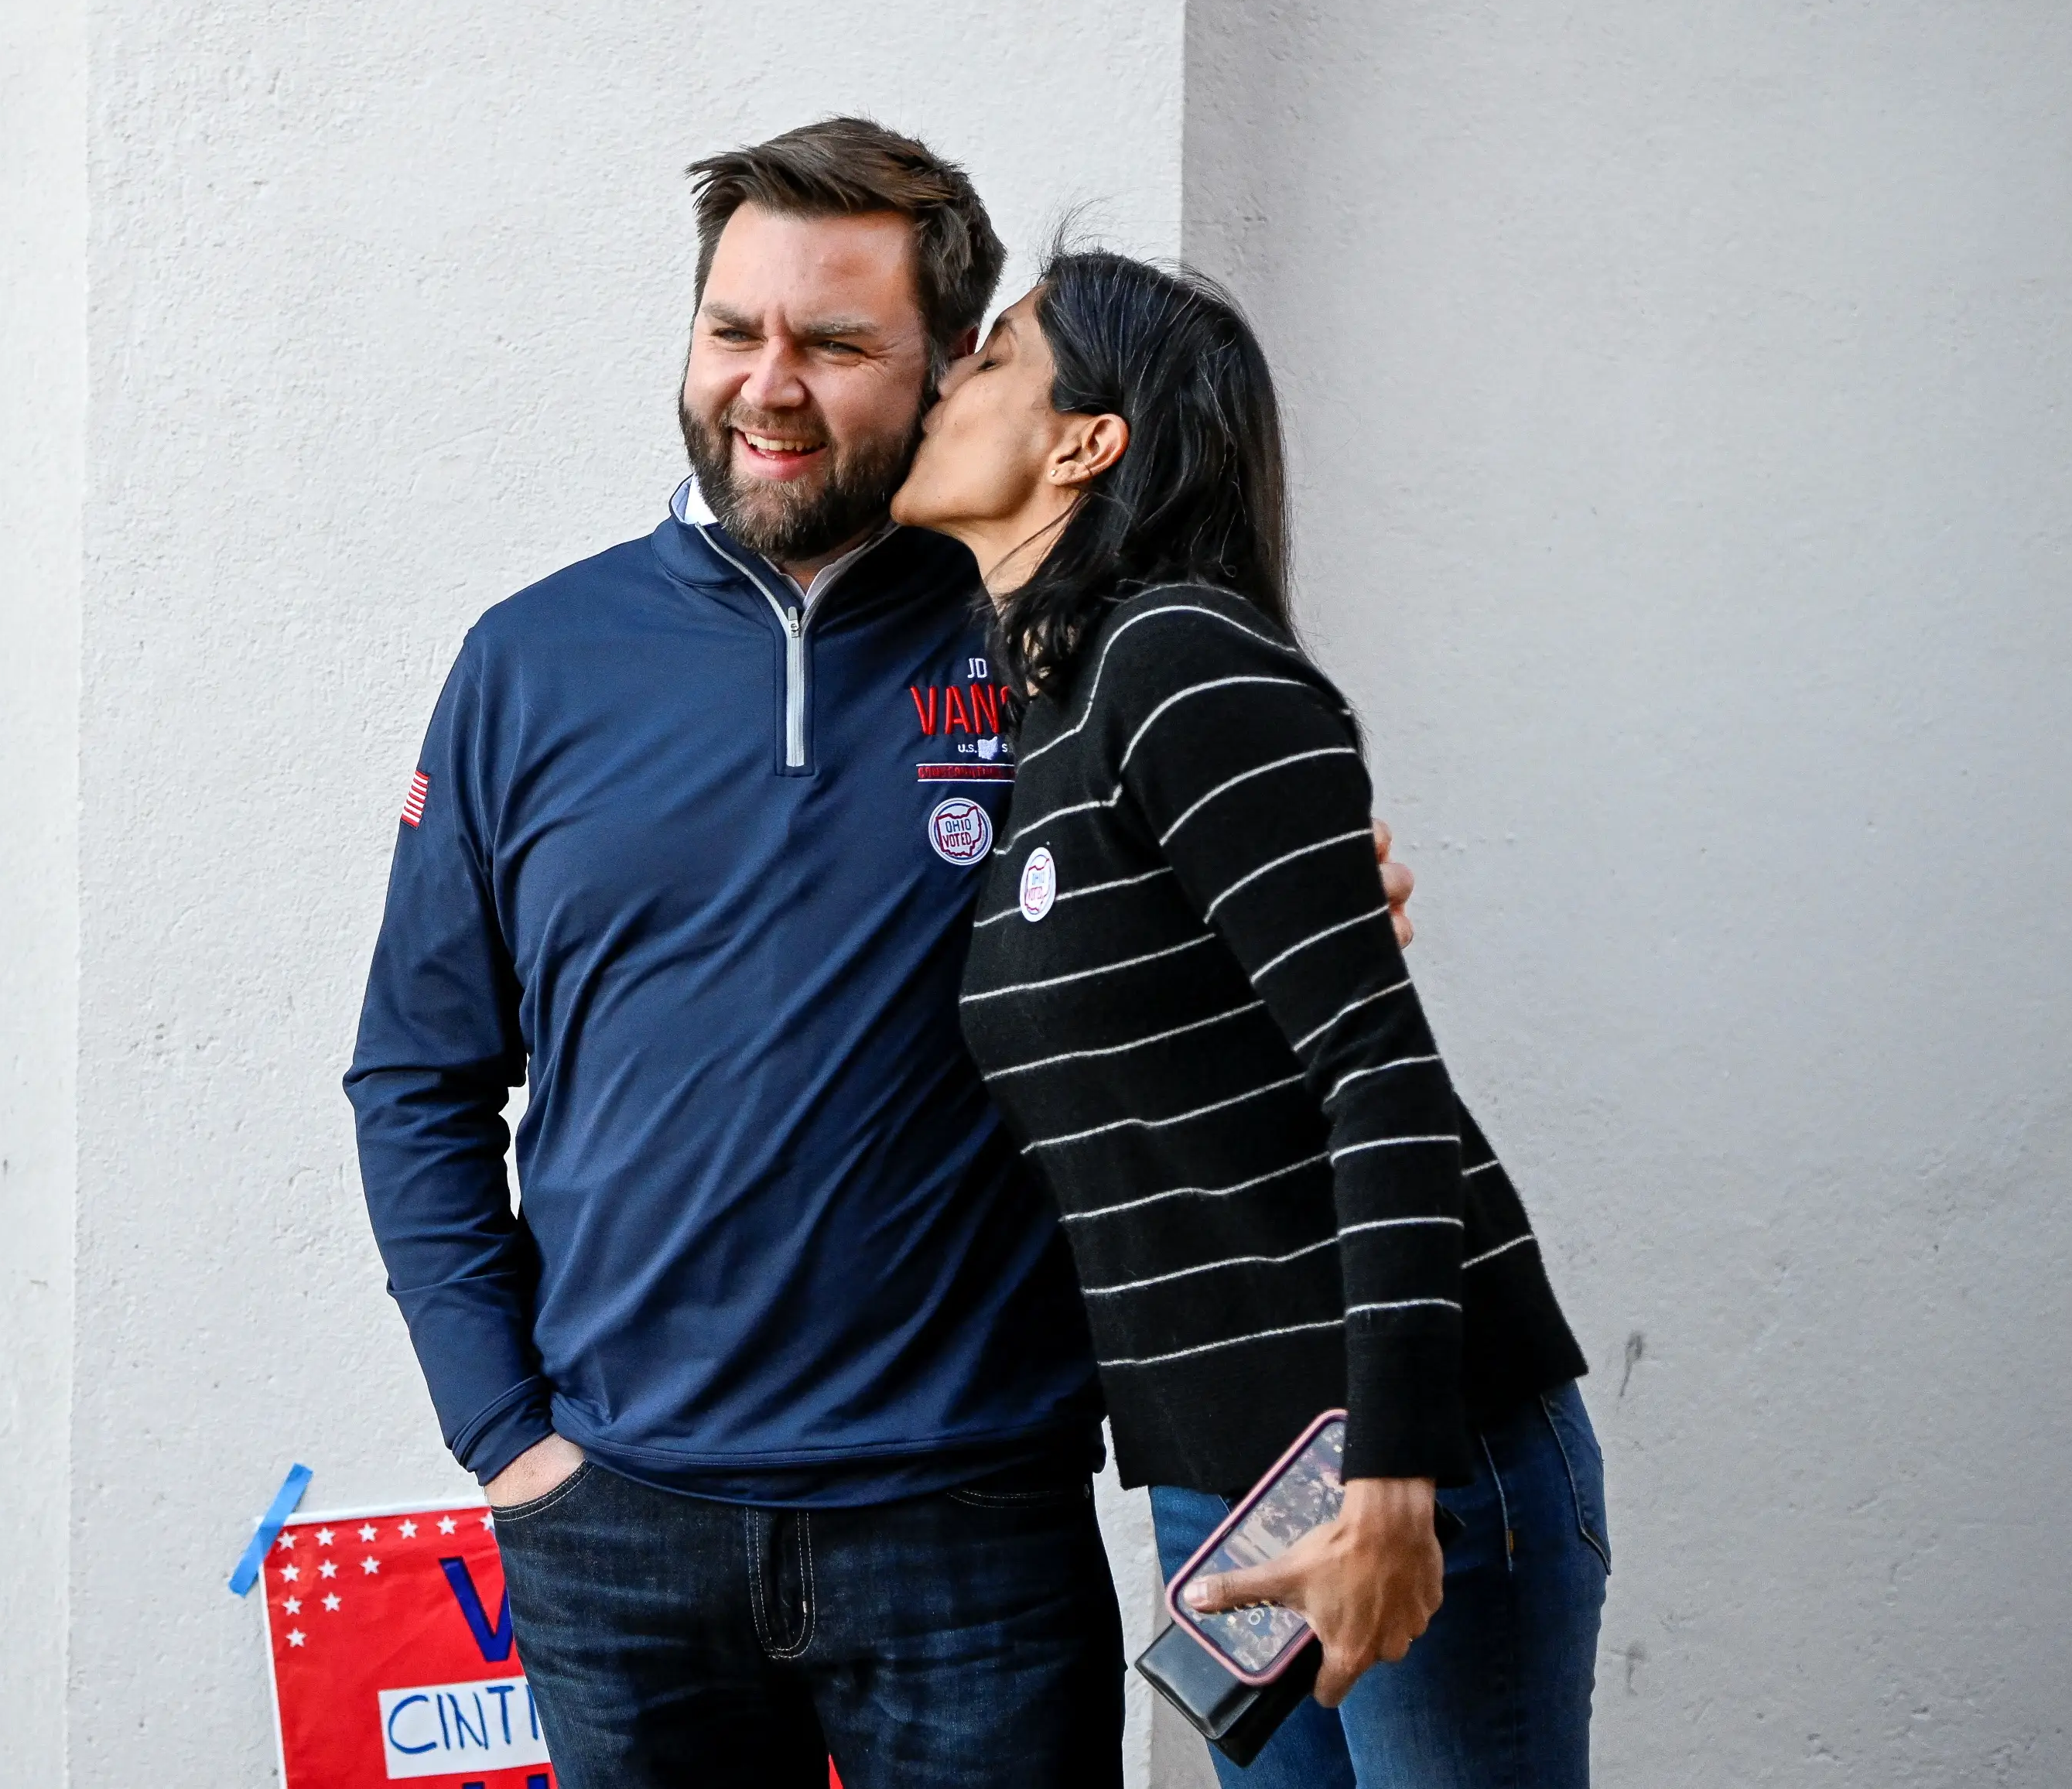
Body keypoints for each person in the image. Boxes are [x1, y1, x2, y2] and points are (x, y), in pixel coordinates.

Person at [345, 121, 1412, 1789]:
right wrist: (505, 1436)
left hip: (970, 1525)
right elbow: (416, 1070)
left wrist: (1311, 892)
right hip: (618, 1525)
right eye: (730, 329)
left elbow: (1215, 938)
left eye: (836, 345)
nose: (765, 385)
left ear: (941, 377)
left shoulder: (1048, 643)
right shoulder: (526, 663)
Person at [892, 249, 1606, 1788]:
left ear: (1085, 439)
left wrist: (1395, 1477)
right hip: (1225, 1483)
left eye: (995, 352)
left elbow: (1382, 1075)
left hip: (1402, 1457)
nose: (946, 378)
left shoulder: (1175, 659)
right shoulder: (1052, 720)